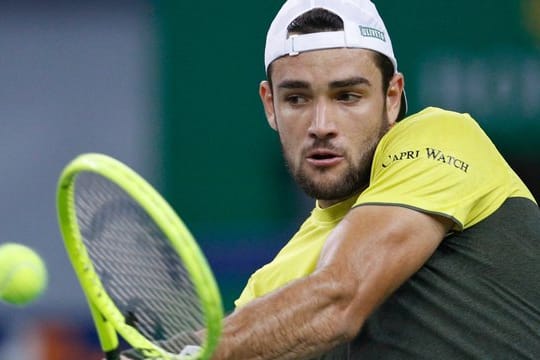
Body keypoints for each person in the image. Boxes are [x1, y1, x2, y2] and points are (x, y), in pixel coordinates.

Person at [125, 0, 540, 358]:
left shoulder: (444, 139)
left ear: (392, 98)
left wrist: (189, 353)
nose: (321, 124)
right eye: (297, 99)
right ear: (270, 105)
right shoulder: (269, 289)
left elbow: (339, 295)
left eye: (347, 96)